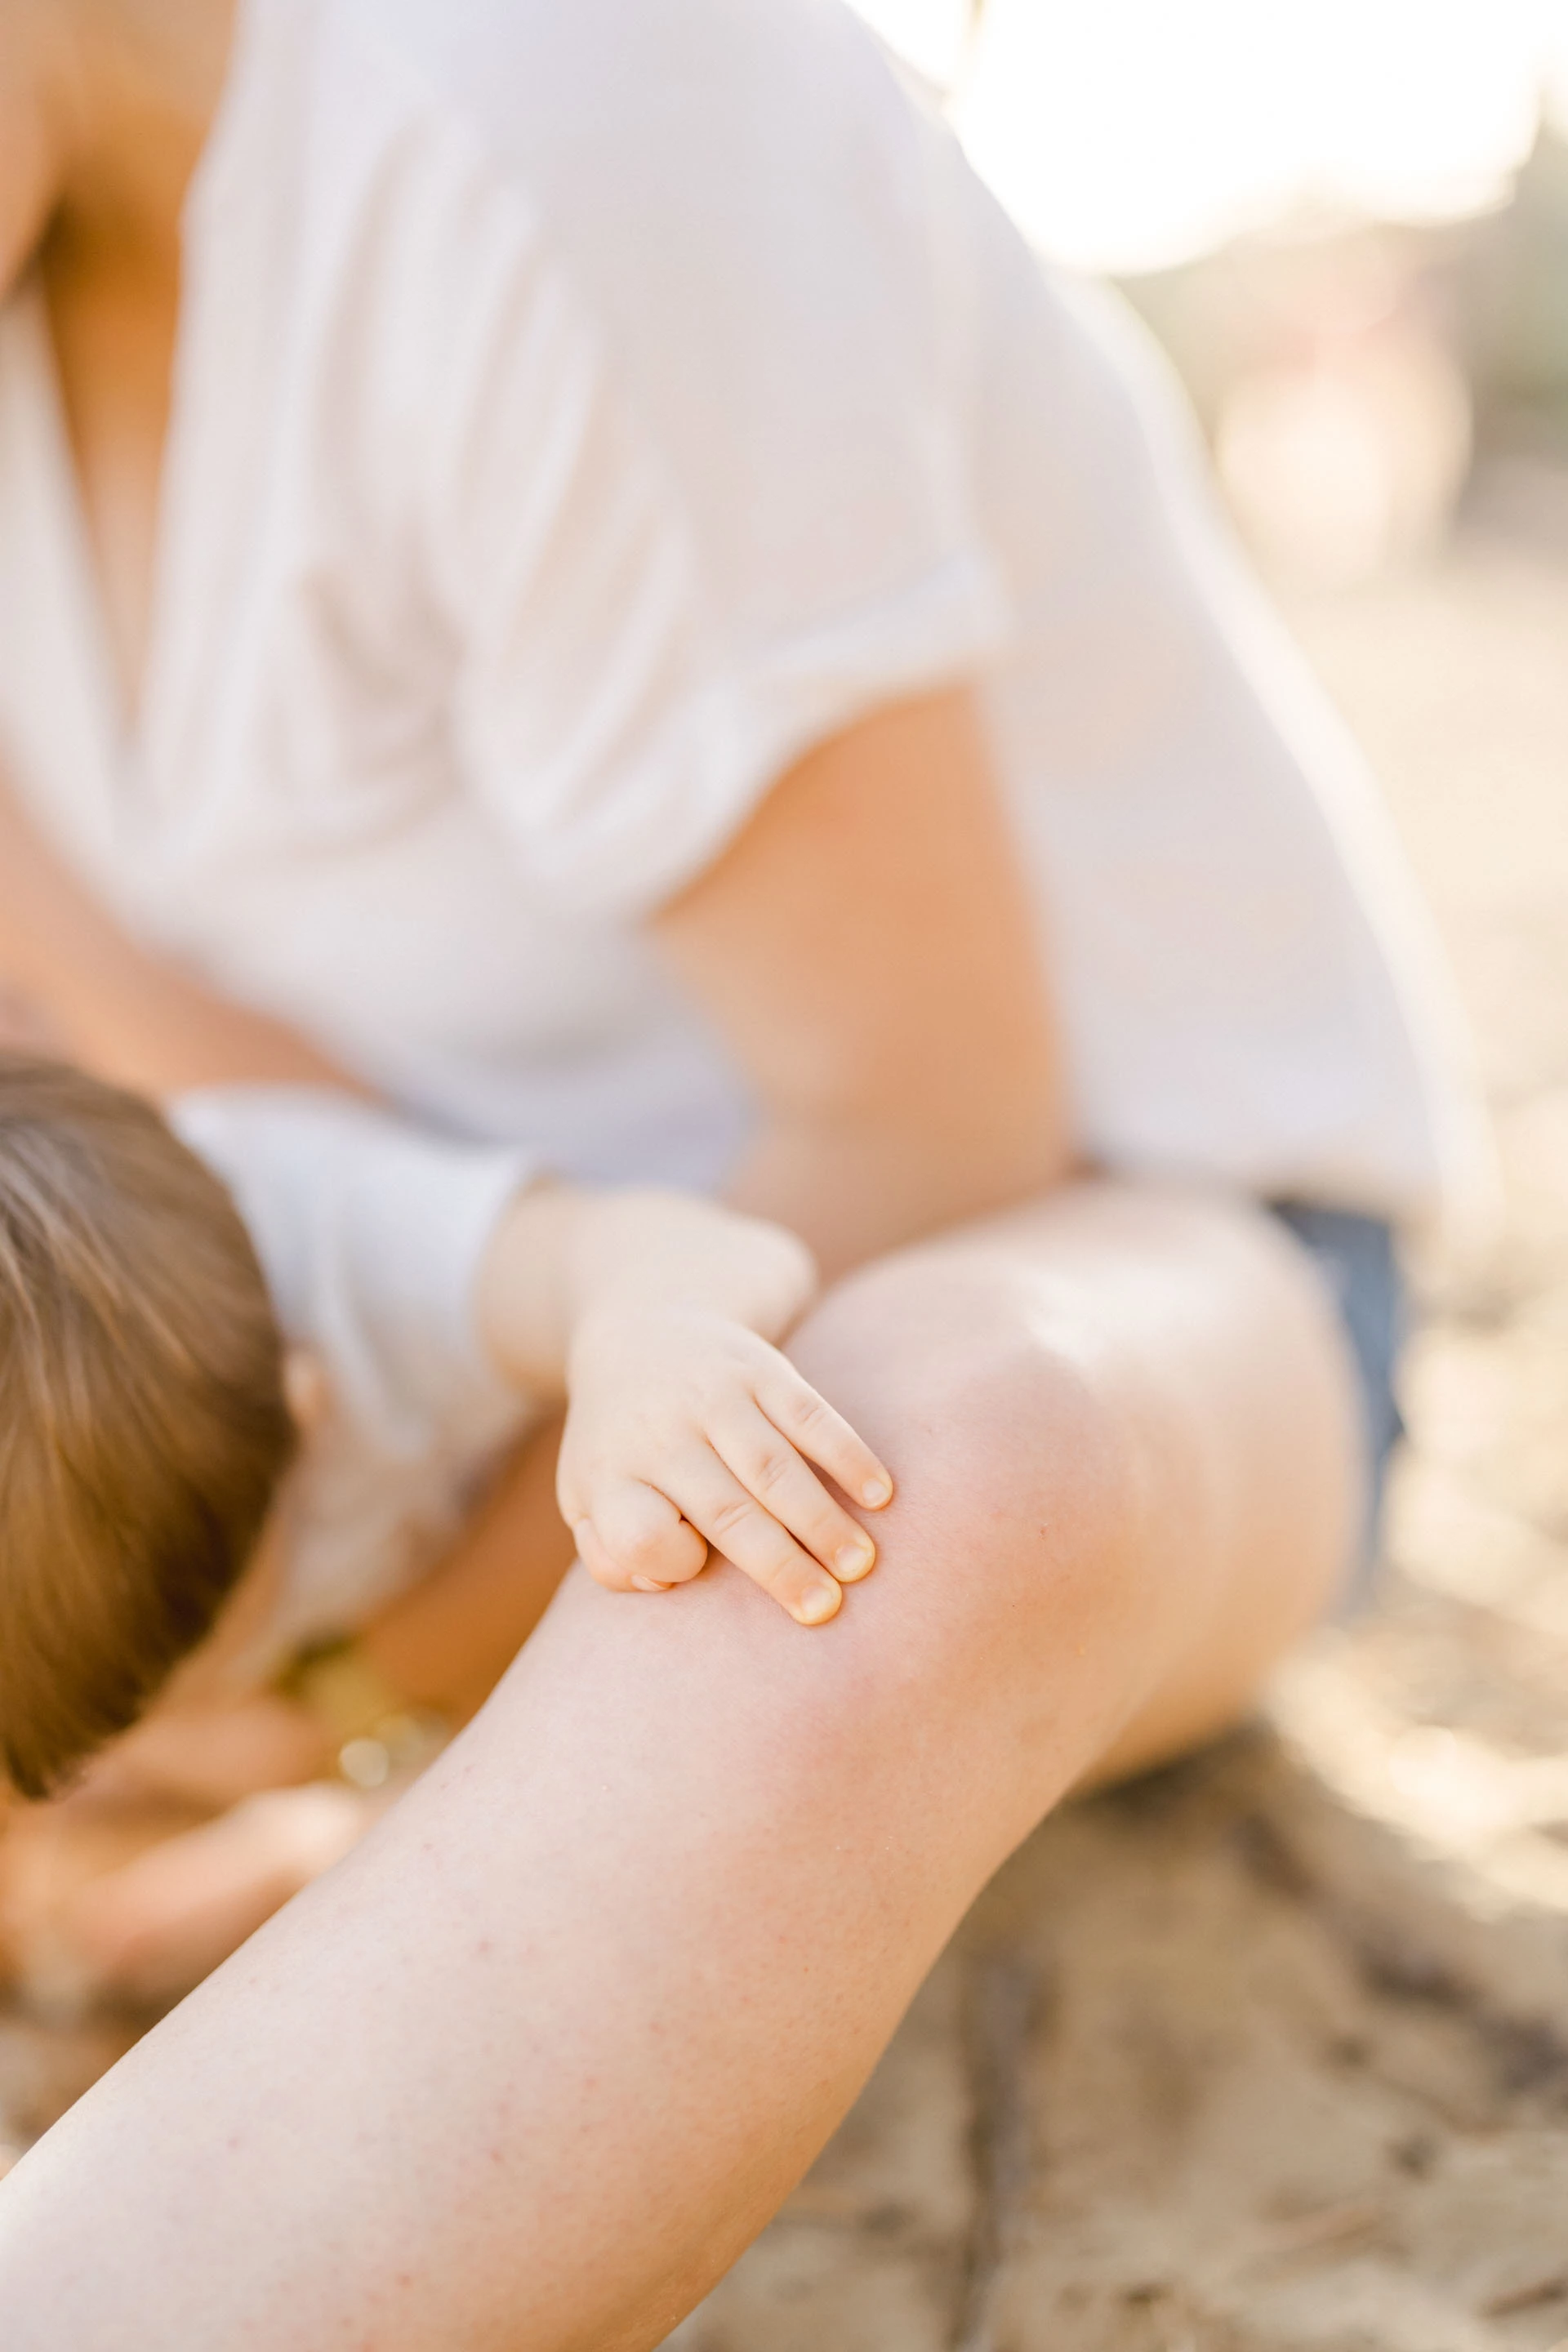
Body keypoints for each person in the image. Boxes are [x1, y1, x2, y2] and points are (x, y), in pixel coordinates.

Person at [0, 0, 1484, 2343]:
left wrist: (340, 1695)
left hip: (1124, 1235)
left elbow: (927, 1133)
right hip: (480, 1365)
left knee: (888, 1475)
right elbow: (203, 1117)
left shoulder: (554, 100)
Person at [0, 1053, 894, 1804]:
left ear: (310, 1418)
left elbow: (689, 1249)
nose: (151, 1735)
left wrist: (641, 1346)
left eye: (175, 1691)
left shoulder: (369, 1263)